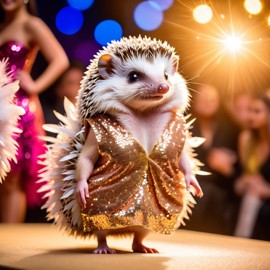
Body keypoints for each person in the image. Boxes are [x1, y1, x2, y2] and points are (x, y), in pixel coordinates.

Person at [0, 0, 69, 223]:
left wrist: (35, 86)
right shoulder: (2, 26)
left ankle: (7, 243)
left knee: (12, 177)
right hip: (1, 106)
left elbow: (61, 60)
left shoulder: (31, 24)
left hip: (18, 110)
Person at [185, 84, 239, 235]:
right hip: (189, 186)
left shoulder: (229, 130)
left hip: (220, 188)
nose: (207, 101)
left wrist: (228, 169)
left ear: (219, 102)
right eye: (203, 97)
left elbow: (237, 169)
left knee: (213, 194)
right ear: (193, 100)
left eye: (212, 98)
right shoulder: (184, 125)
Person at [234, 90, 270, 240]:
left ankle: (241, 240)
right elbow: (245, 173)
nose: (250, 116)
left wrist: (264, 189)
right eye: (250, 110)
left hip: (265, 194)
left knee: (254, 193)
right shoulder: (246, 138)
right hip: (251, 192)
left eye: (257, 111)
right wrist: (247, 180)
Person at [41, 60, 85, 132]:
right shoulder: (50, 120)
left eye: (81, 82)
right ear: (59, 89)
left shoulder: (92, 118)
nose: (79, 88)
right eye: (72, 83)